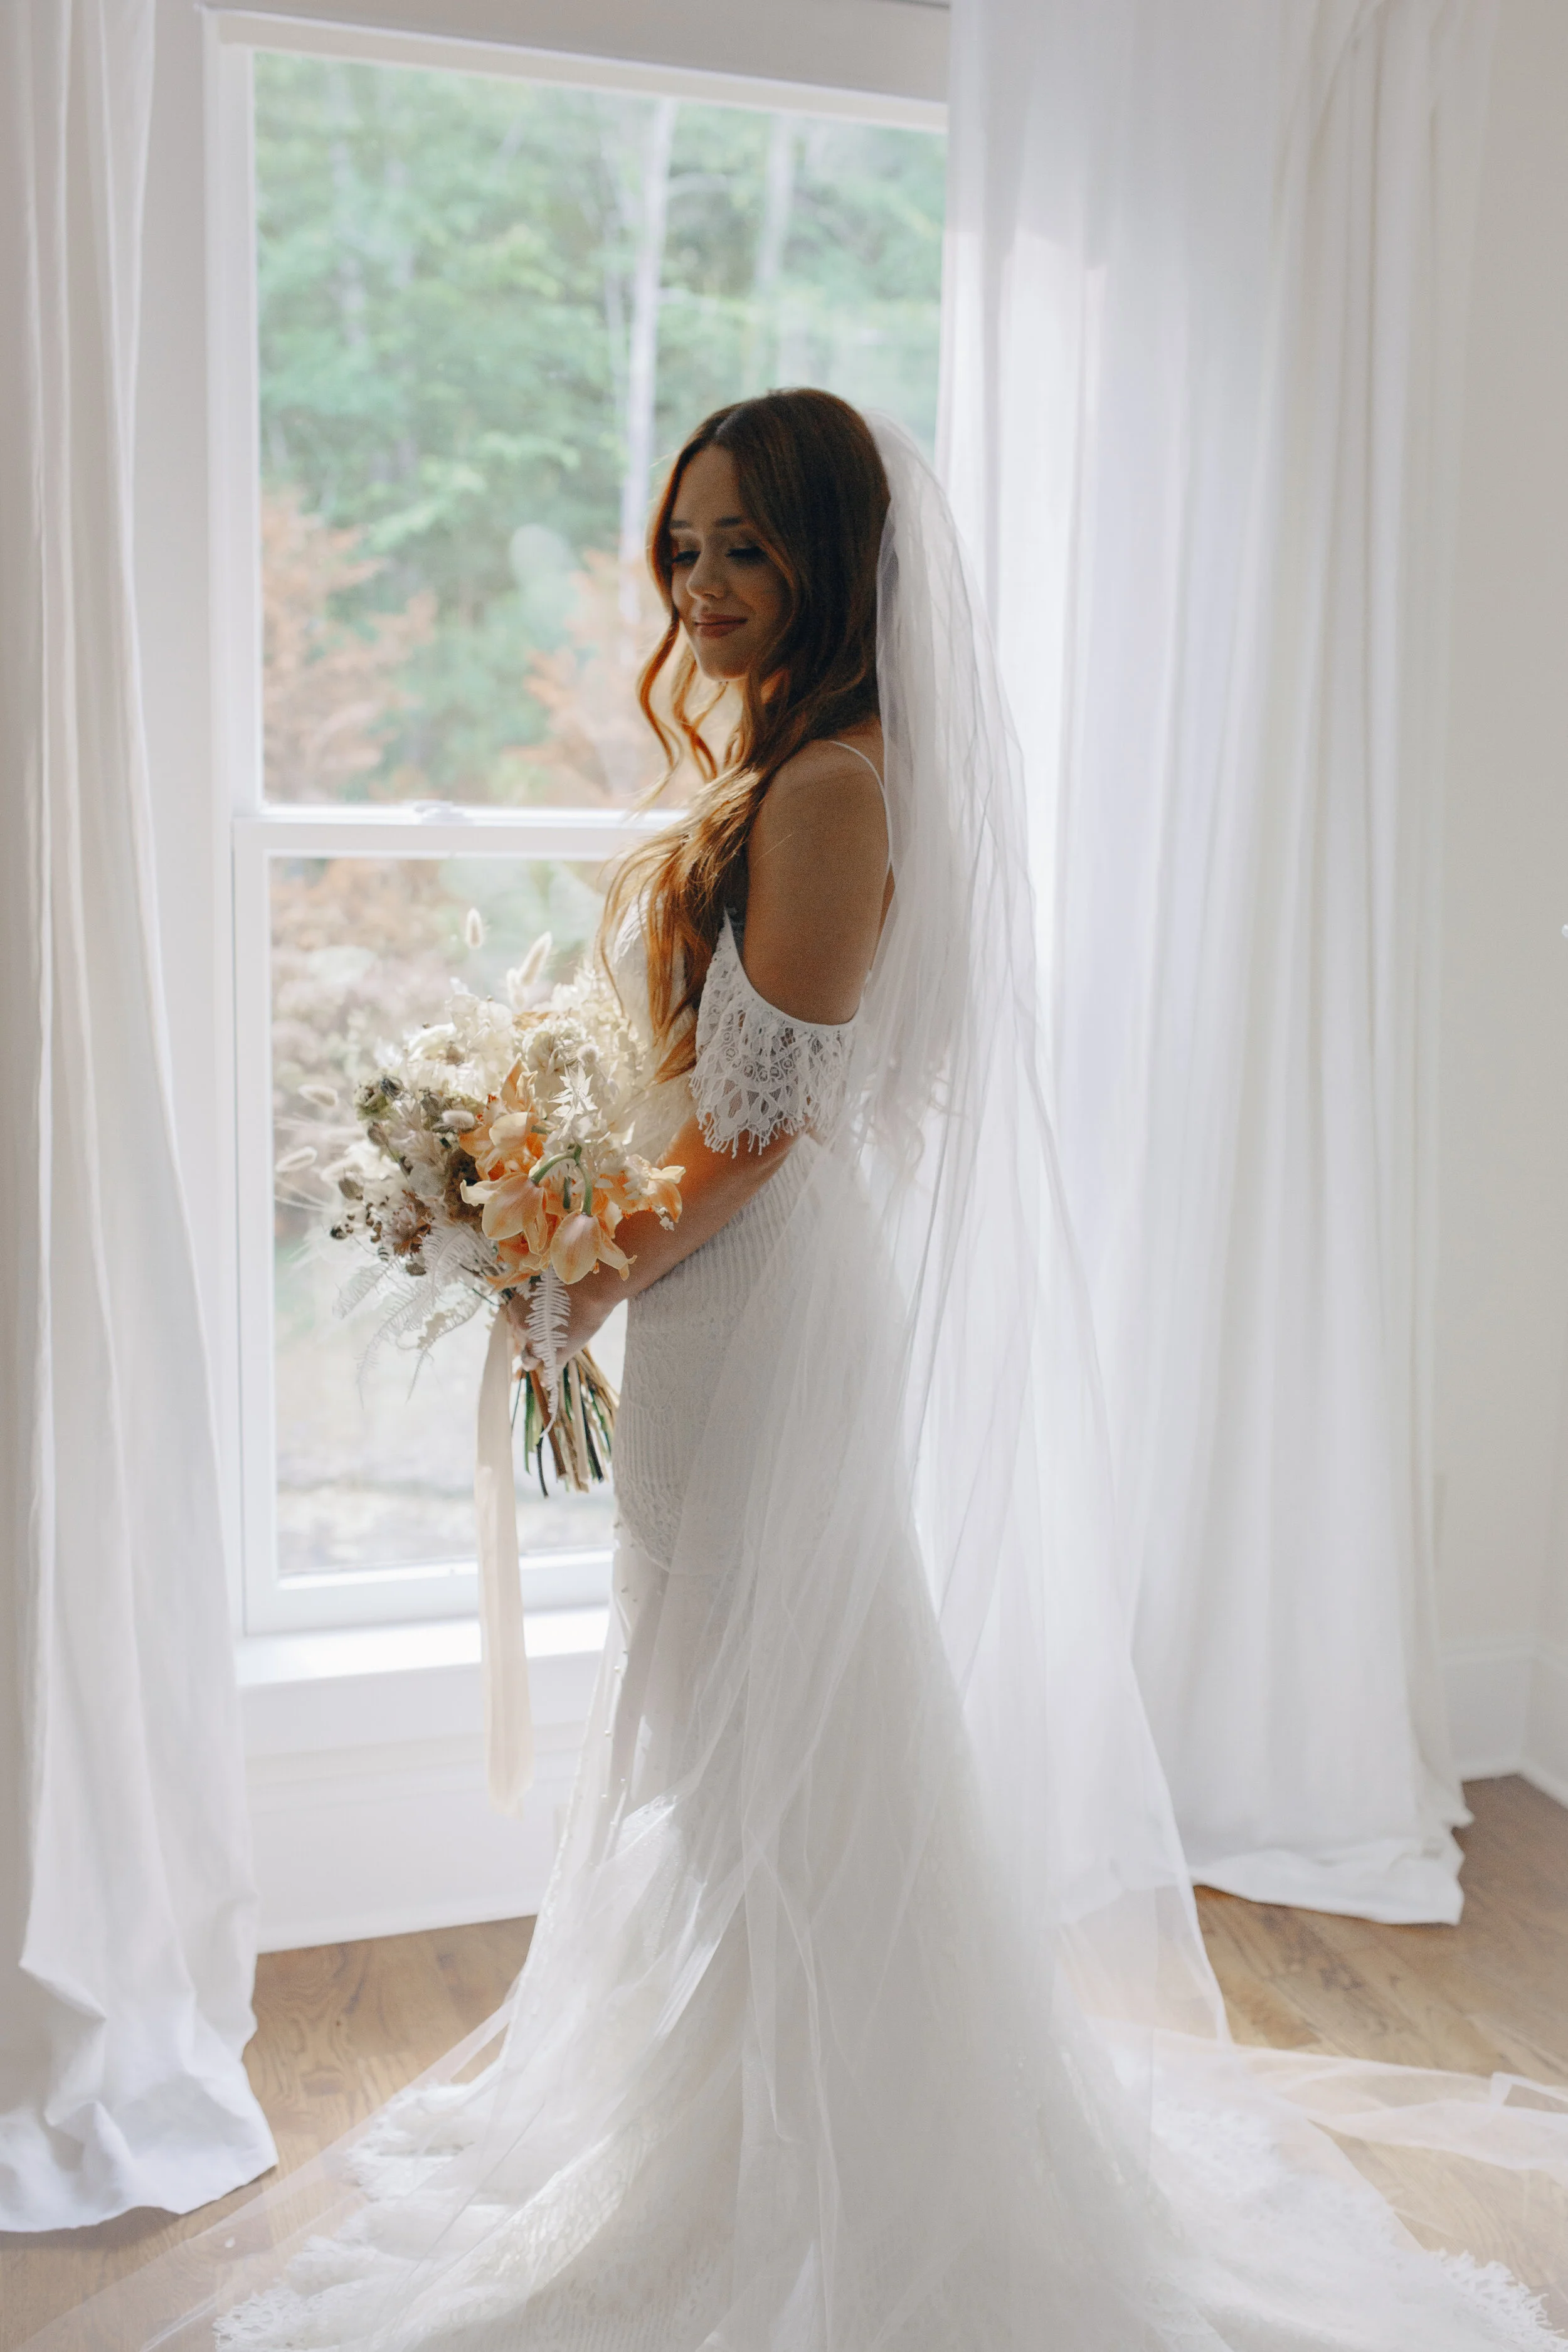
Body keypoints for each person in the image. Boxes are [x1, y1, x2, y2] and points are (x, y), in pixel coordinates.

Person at [118, 393, 1567, 2351]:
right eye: (682, 547)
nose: (703, 587)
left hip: (763, 1308)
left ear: (834, 558)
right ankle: (738, 2092)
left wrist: (576, 1264)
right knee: (746, 1740)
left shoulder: (827, 789)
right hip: (743, 1300)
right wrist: (562, 1229)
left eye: (747, 546)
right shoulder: (805, 757)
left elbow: (762, 1124)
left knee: (769, 1737)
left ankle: (832, 2149)